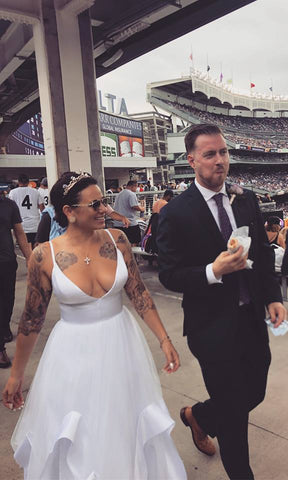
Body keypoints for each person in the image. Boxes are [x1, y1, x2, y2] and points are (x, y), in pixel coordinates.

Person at [2, 172, 186, 479]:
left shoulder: (119, 241)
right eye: (96, 204)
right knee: (81, 430)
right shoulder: (43, 256)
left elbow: (138, 292)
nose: (105, 209)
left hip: (121, 345)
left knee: (124, 420)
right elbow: (31, 321)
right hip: (72, 355)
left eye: (103, 202)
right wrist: (16, 376)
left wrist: (163, 339)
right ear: (70, 212)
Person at [156, 124, 286, 480]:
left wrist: (273, 297)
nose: (220, 161)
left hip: (250, 319)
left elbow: (260, 250)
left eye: (224, 152)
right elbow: (169, 273)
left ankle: (199, 416)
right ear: (192, 160)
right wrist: (212, 271)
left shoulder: (245, 200)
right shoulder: (175, 212)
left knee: (254, 392)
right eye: (210, 154)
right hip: (210, 326)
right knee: (233, 414)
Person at [0, 188, 32, 368]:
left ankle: (4, 326)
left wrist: (29, 257)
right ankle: (1, 349)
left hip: (6, 262)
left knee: (7, 301)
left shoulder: (9, 205)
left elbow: (20, 233)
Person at [8, 173, 44, 246]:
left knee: (25, 250)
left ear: (18, 182)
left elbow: (10, 209)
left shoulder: (13, 192)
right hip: (35, 225)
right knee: (35, 249)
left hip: (21, 226)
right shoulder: (35, 191)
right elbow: (42, 208)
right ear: (28, 182)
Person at [113, 180, 145, 246]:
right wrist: (142, 208)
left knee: (121, 245)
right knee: (134, 243)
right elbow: (134, 206)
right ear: (133, 186)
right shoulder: (131, 194)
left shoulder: (119, 194)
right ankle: (133, 256)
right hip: (129, 223)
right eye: (136, 187)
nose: (136, 189)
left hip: (118, 223)